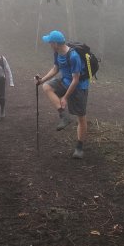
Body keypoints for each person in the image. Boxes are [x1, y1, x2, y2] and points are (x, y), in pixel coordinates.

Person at [36, 30, 90, 159]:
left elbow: (76, 80)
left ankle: (79, 147)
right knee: (47, 86)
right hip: (65, 81)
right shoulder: (57, 52)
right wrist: (41, 80)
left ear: (55, 43)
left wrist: (65, 97)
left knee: (81, 117)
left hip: (79, 87)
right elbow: (56, 68)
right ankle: (64, 116)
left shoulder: (74, 56)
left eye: (50, 42)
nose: (48, 44)